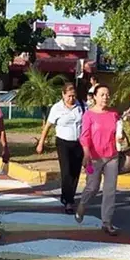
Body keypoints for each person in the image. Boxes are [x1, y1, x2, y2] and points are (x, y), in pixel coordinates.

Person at [76, 83, 125, 236]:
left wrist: (120, 138)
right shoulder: (88, 115)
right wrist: (86, 154)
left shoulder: (113, 114)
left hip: (112, 156)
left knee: (110, 190)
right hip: (94, 157)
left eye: (107, 94)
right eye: (102, 94)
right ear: (95, 97)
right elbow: (84, 136)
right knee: (93, 187)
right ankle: (82, 205)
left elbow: (118, 131)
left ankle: (107, 223)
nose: (105, 97)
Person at [37, 83, 85, 214]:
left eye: (73, 96)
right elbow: (47, 126)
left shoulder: (81, 105)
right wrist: (41, 142)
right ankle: (69, 202)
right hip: (63, 143)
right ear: (63, 95)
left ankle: (68, 196)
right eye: (69, 96)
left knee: (75, 172)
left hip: (79, 143)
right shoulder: (57, 108)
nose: (71, 98)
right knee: (66, 172)